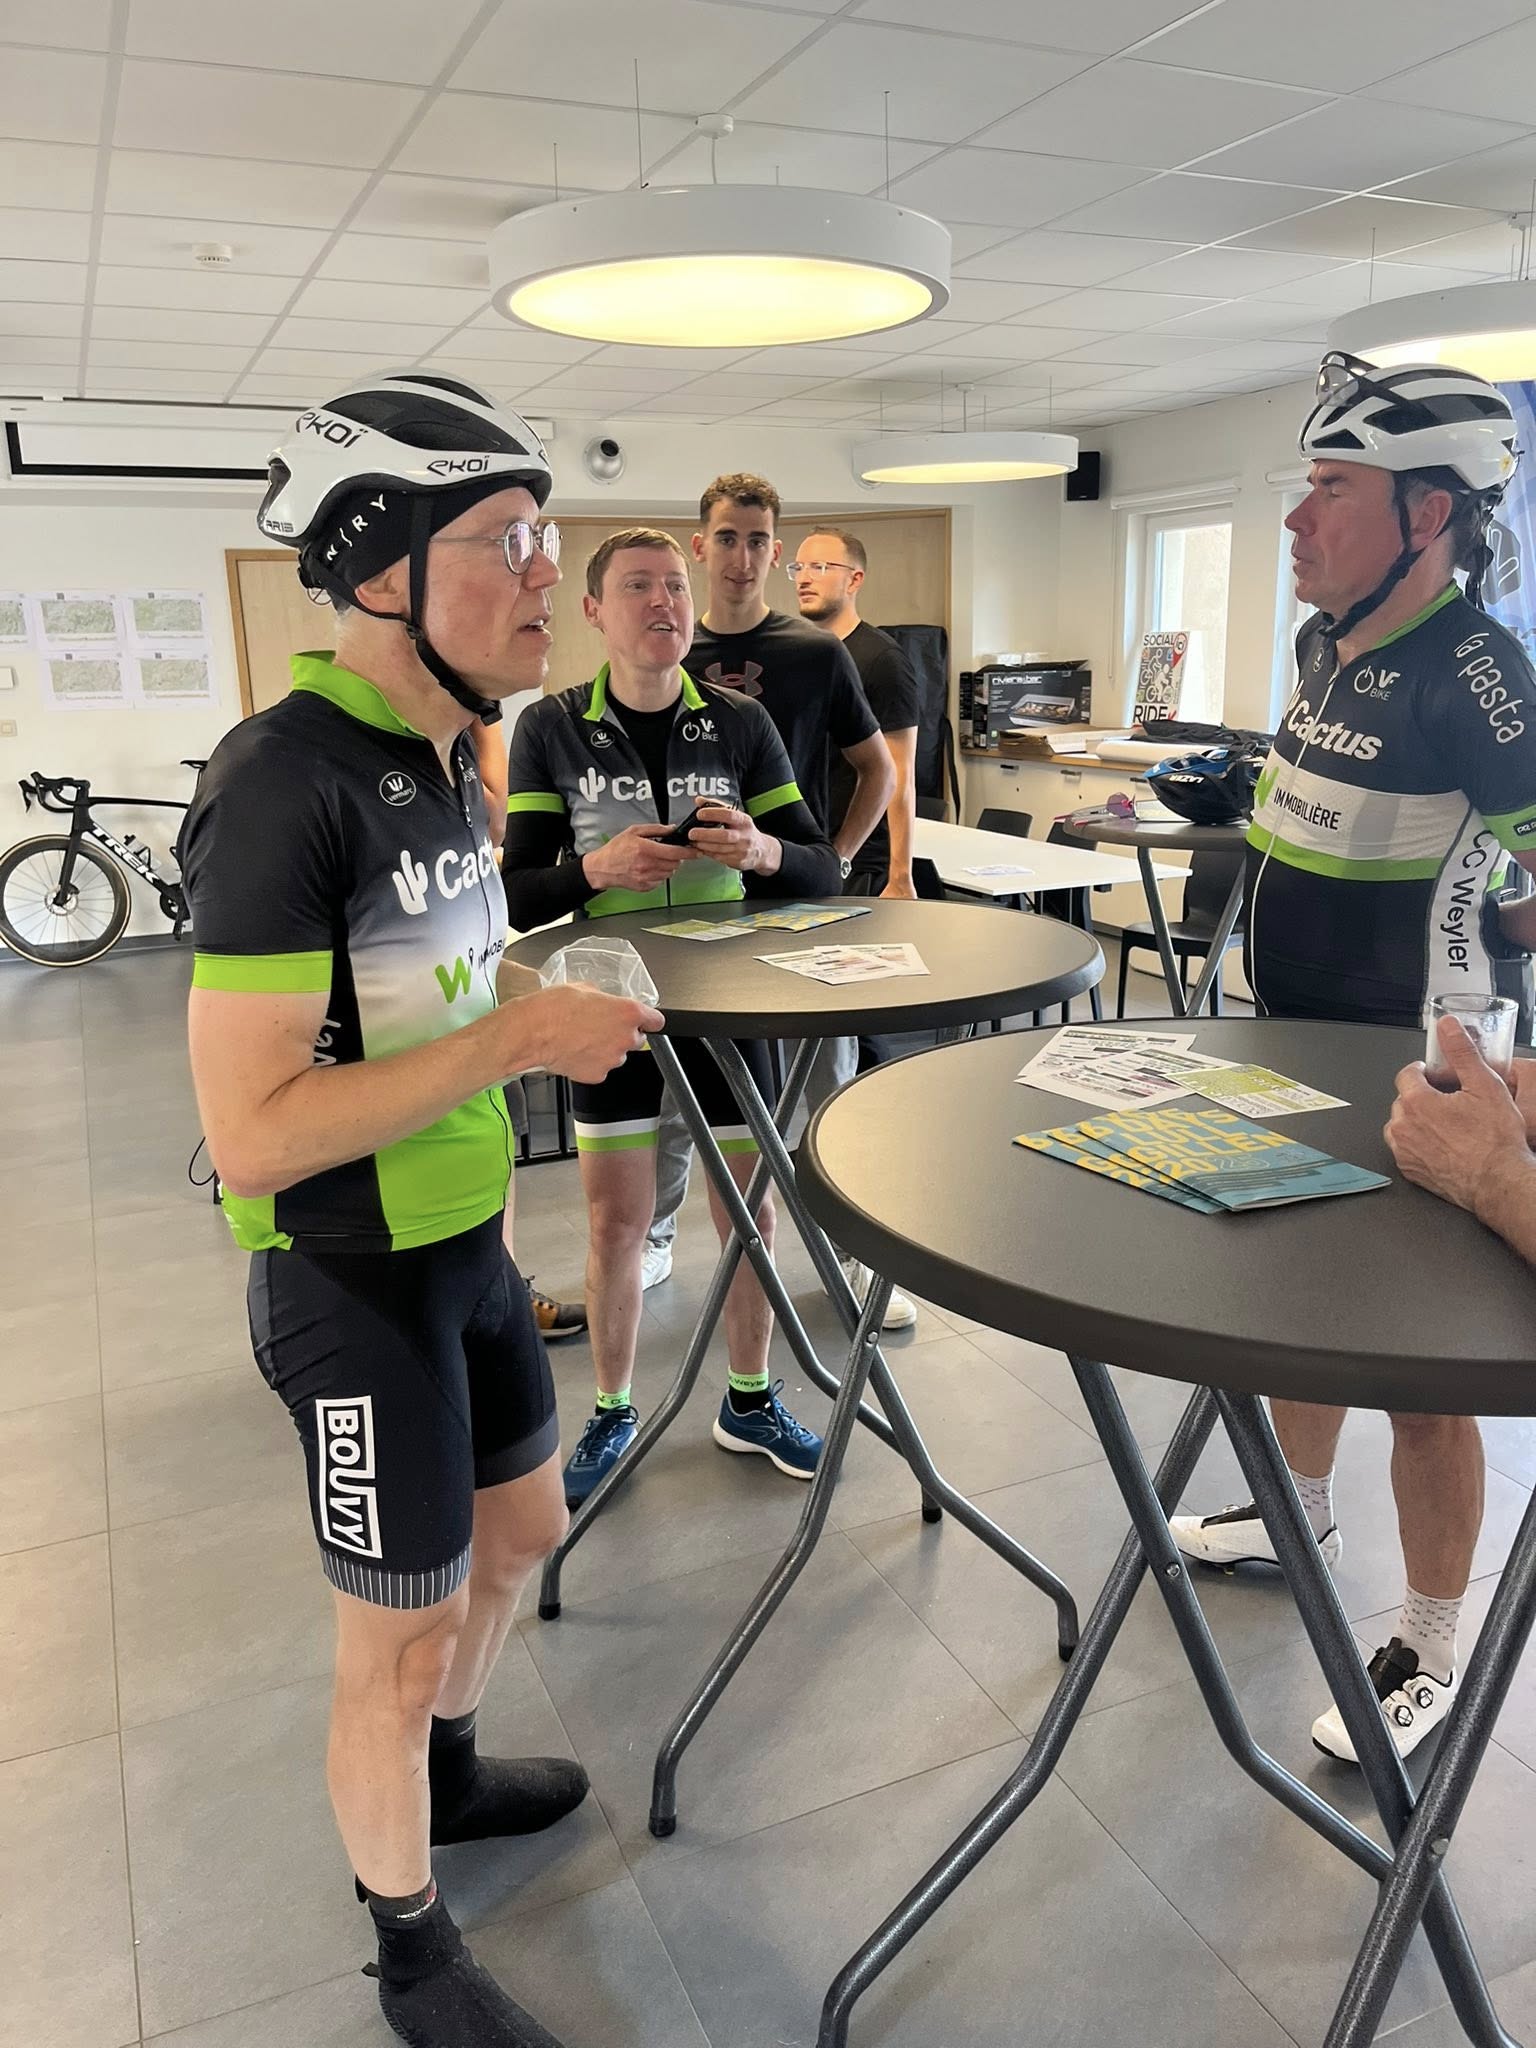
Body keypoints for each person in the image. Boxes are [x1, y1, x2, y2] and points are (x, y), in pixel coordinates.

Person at [181, 373, 661, 2048]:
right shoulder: (280, 780)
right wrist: (523, 1039)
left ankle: (445, 1777)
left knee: (520, 1539)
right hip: (346, 1274)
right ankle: (411, 1953)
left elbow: (433, 988)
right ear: (383, 567)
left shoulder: (454, 751)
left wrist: (538, 990)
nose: (548, 573)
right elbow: (250, 1135)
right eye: (509, 539)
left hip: (466, 1246)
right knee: (391, 1643)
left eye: (546, 534)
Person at [1170, 352, 1536, 1764]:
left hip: (1418, 1074)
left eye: (1332, 487)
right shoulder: (1331, 646)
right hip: (1292, 1046)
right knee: (1302, 1303)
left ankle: (1430, 1641)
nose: (1295, 516)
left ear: (1427, 512)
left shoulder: (1481, 674)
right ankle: (1298, 1513)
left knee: (1423, 1375)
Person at [503, 527, 840, 1506]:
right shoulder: (551, 726)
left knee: (748, 1211)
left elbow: (819, 867)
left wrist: (761, 854)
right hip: (608, 1000)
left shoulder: (738, 721)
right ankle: (612, 1408)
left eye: (676, 588)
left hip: (729, 1002)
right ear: (594, 610)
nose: (665, 603)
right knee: (616, 1219)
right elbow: (517, 892)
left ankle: (750, 1398)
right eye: (639, 586)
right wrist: (594, 869)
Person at [642, 473, 894, 1290]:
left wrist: (837, 859)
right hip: (696, 913)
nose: (742, 556)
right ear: (700, 546)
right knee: (683, 1083)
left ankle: (854, 1252)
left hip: (800, 904)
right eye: (727, 538)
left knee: (828, 1083)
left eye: (757, 541)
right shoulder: (667, 651)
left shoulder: (817, 654)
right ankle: (654, 1234)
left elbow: (878, 769)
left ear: (775, 552)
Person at [795, 524, 923, 1329]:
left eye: (823, 565)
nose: (806, 576)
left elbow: (897, 774)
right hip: (808, 871)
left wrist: (900, 873)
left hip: (866, 871)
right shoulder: (803, 654)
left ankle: (869, 1251)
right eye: (800, 564)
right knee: (821, 1054)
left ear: (856, 578)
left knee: (861, 1055)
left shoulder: (881, 660)